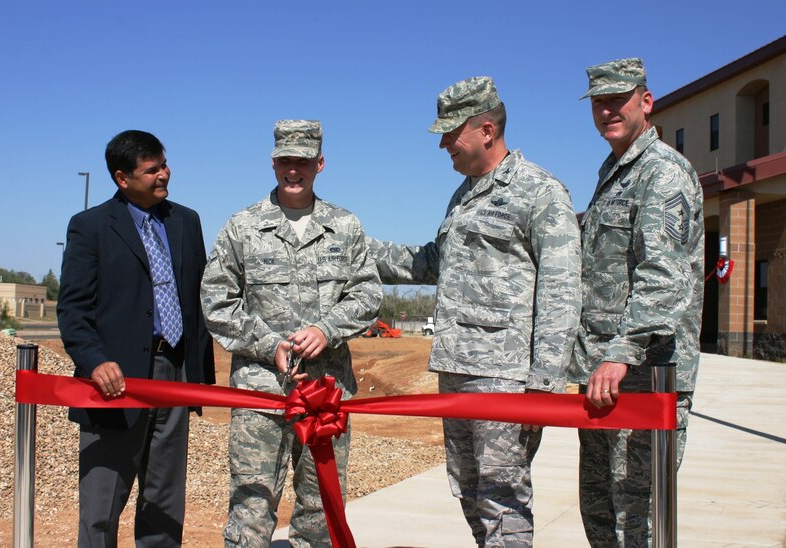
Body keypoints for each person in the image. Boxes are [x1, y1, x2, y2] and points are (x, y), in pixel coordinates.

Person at [367, 77, 582, 547]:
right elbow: (432, 262)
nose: (443, 143)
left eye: (451, 132)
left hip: (504, 379)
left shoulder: (540, 192)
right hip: (457, 370)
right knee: (468, 489)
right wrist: (356, 247)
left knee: (503, 498)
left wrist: (544, 384)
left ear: (487, 129)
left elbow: (562, 292)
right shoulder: (464, 195)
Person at [201, 120, 382, 547]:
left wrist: (327, 328)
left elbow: (368, 293)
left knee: (319, 508)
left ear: (319, 163)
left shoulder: (345, 225)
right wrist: (269, 345)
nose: (293, 170)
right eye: (285, 161)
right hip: (260, 394)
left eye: (302, 161)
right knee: (251, 508)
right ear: (273, 162)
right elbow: (216, 301)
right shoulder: (242, 227)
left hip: (327, 393)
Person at [57, 129, 216, 547]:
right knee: (101, 508)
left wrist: (198, 377)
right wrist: (95, 361)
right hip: (114, 381)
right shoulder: (89, 227)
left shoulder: (186, 221)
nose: (164, 174)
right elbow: (73, 310)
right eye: (152, 169)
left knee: (164, 501)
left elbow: (198, 299)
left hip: (173, 374)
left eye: (164, 164)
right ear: (121, 178)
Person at [570, 58, 704, 547]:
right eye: (599, 102)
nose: (607, 110)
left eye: (618, 100)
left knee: (637, 519)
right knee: (600, 512)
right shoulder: (614, 172)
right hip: (605, 379)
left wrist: (620, 352)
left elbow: (662, 276)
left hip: (645, 376)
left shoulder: (662, 173)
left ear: (645, 102)